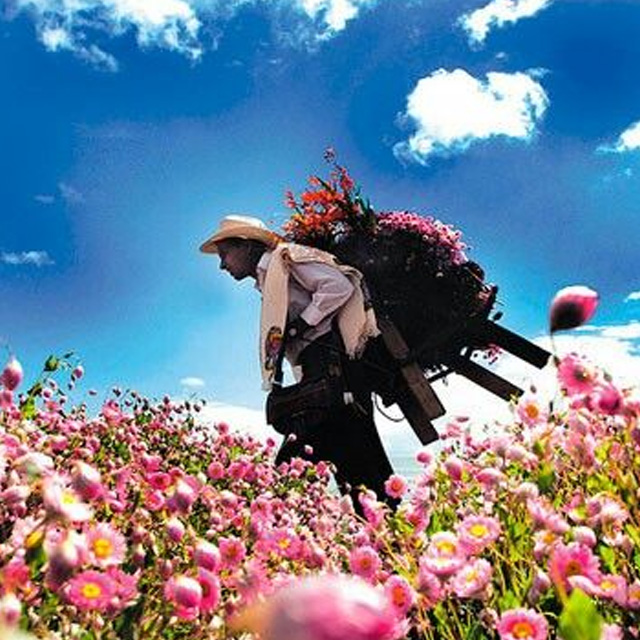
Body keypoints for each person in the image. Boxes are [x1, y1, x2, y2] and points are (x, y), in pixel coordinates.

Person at [200, 215, 398, 510]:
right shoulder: (270, 276)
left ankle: (273, 517)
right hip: (322, 370)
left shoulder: (286, 259)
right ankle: (385, 523)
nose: (222, 265)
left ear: (245, 245)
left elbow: (338, 286)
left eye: (224, 254)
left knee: (309, 461)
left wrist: (301, 325)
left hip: (335, 366)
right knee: (356, 461)